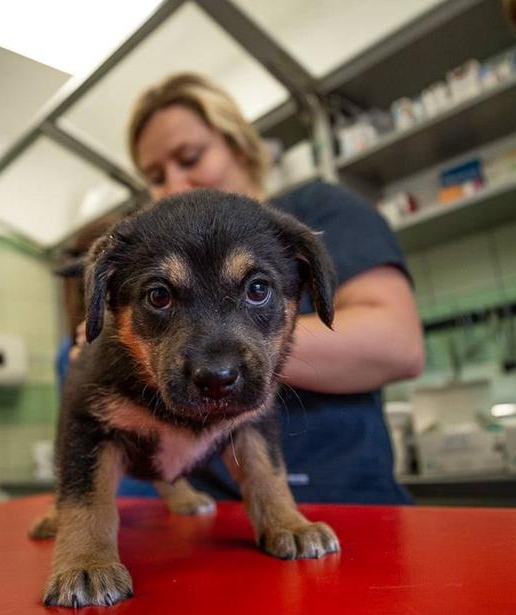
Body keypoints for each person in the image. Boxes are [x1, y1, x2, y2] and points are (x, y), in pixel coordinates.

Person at [63, 73, 425, 504]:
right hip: (218, 516)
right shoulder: (155, 245)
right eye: (156, 176)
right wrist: (120, 353)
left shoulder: (319, 210)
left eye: (191, 157)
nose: (174, 185)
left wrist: (224, 360)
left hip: (350, 500)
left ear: (238, 143)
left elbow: (398, 344)